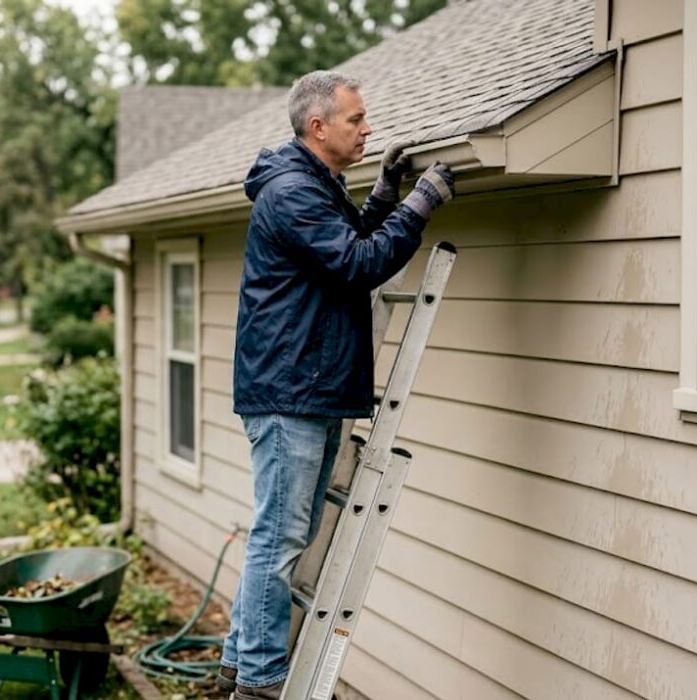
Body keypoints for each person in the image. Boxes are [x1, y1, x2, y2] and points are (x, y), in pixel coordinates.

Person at [220, 69, 455, 700]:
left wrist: (383, 196)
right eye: (356, 119)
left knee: (280, 532)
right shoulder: (294, 192)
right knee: (282, 536)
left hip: (308, 385)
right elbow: (358, 264)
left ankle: (238, 659)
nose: (368, 128)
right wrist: (419, 208)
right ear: (317, 126)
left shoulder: (312, 184)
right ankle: (262, 679)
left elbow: (347, 240)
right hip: (292, 390)